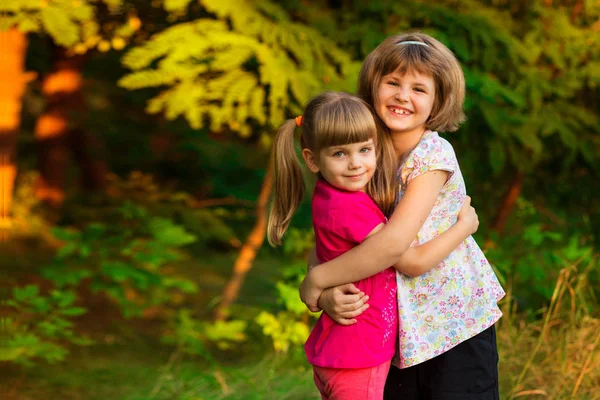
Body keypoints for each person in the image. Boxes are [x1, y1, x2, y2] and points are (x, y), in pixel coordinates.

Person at [300, 33, 506, 400]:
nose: (402, 96)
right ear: (373, 85)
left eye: (418, 89)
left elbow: (398, 250)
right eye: (392, 82)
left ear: (437, 101)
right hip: (391, 329)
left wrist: (316, 280)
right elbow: (333, 226)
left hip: (450, 322)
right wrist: (327, 291)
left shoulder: (432, 157)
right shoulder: (361, 149)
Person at [267, 91, 479, 400]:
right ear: (312, 159)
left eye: (364, 150)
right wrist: (464, 227)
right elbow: (409, 260)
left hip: (342, 349)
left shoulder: (330, 195)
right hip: (357, 354)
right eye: (340, 154)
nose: (355, 164)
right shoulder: (352, 208)